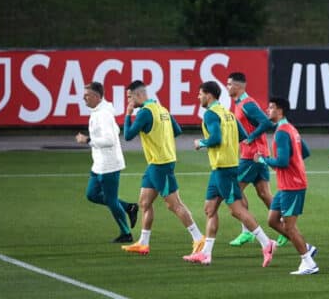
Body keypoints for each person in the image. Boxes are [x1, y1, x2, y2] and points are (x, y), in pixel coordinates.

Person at [184, 81, 276, 266]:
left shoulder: (210, 114)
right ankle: (206, 253)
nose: (198, 97)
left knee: (237, 210)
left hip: (224, 169)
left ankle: (267, 243)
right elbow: (242, 136)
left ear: (209, 95)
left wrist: (201, 143)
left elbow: (216, 138)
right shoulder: (228, 114)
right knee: (210, 209)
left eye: (200, 94)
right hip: (219, 168)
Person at [119, 80, 205, 257]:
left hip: (160, 164)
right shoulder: (162, 109)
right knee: (144, 202)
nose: (129, 102)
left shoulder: (144, 113)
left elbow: (127, 135)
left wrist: (128, 114)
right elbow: (177, 130)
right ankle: (143, 243)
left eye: (129, 97)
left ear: (139, 95)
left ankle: (198, 238)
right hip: (157, 163)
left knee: (174, 204)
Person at [255, 97, 319, 275]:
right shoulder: (290, 129)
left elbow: (282, 162)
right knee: (273, 220)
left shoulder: (282, 132)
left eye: (271, 108)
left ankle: (308, 263)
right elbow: (304, 152)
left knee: (290, 226)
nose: (268, 110)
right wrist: (295, 163)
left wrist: (263, 159)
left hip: (293, 186)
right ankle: (306, 247)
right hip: (286, 185)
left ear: (280, 110)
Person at [225, 72, 284, 247]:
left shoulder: (247, 104)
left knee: (234, 189)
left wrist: (250, 137)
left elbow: (267, 123)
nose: (227, 87)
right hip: (258, 153)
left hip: (252, 155)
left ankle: (247, 232)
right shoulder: (240, 104)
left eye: (229, 84)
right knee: (264, 193)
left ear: (239, 86)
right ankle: (287, 229)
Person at [75, 82, 137, 243]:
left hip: (109, 164)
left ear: (96, 97)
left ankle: (126, 233)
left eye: (86, 95)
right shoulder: (100, 111)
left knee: (111, 200)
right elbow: (115, 130)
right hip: (99, 164)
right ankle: (129, 207)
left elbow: (109, 140)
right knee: (92, 194)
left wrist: (88, 140)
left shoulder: (103, 114)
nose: (83, 98)